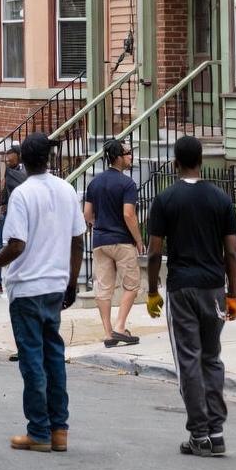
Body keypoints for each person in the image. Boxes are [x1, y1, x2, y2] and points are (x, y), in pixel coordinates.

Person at [0, 132, 86, 453]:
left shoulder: (22, 194)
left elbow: (16, 245)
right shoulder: (67, 190)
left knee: (32, 360)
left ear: (22, 159)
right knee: (54, 357)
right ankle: (59, 429)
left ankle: (39, 430)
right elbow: (78, 240)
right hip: (55, 286)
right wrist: (72, 282)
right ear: (48, 158)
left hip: (26, 288)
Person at [146, 135, 236, 458]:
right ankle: (217, 431)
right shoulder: (221, 199)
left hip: (182, 288)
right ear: (201, 161)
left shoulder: (165, 200)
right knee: (211, 358)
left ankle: (199, 433)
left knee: (188, 358)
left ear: (175, 163)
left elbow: (155, 252)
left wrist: (152, 291)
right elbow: (231, 252)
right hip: (214, 287)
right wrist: (232, 293)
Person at [84, 137, 144, 346]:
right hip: (122, 241)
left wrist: (99, 225)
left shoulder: (95, 182)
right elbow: (129, 214)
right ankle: (120, 326)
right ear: (118, 157)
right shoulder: (127, 183)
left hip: (100, 240)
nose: (130, 157)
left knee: (103, 289)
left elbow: (87, 214)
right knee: (131, 285)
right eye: (127, 154)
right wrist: (138, 240)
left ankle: (109, 334)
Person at [0, 142, 26, 297]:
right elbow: (6, 190)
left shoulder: (25, 170)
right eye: (7, 159)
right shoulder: (10, 171)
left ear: (19, 157)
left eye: (11, 158)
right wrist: (2, 205)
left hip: (20, 214)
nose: (8, 161)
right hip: (7, 212)